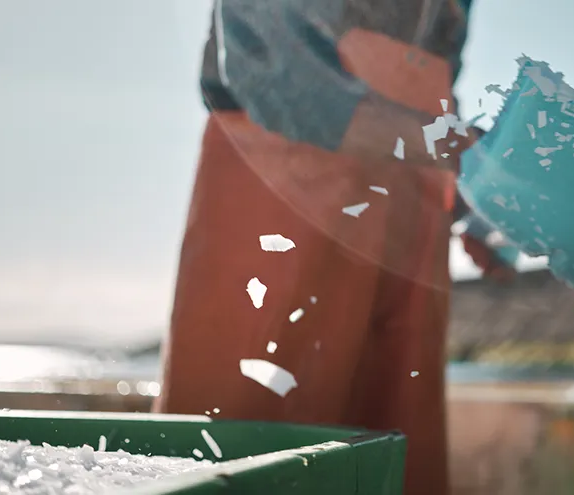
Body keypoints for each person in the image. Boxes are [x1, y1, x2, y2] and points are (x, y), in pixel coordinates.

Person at [154, 2, 513, 493]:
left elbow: (433, 77)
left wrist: (471, 204)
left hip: (412, 203)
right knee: (248, 442)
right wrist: (458, 149)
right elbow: (275, 76)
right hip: (277, 185)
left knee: (395, 428)